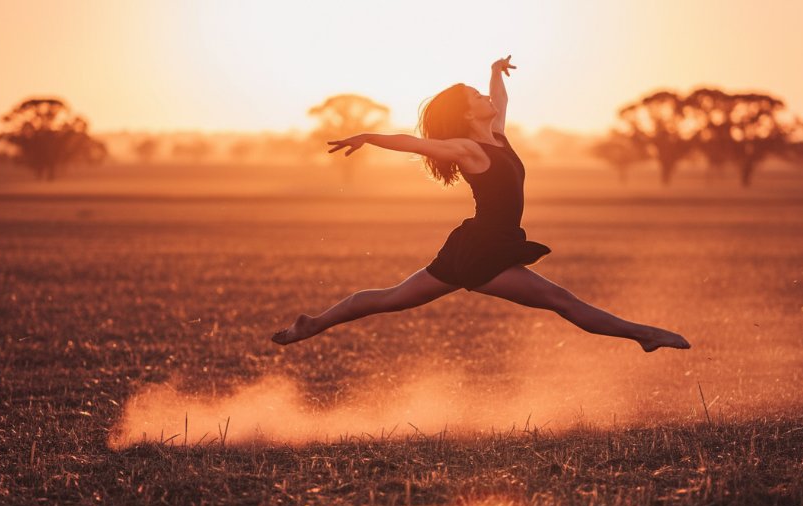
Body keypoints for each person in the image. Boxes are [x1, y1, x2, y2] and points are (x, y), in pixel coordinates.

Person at [273, 55, 690, 352]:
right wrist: (367, 137)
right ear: (467, 113)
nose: (486, 98)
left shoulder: (497, 137)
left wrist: (494, 73)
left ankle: (315, 323)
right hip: (483, 251)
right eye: (477, 96)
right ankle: (644, 335)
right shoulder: (467, 148)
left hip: (477, 243)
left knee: (390, 297)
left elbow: (501, 101)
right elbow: (413, 142)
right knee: (562, 301)